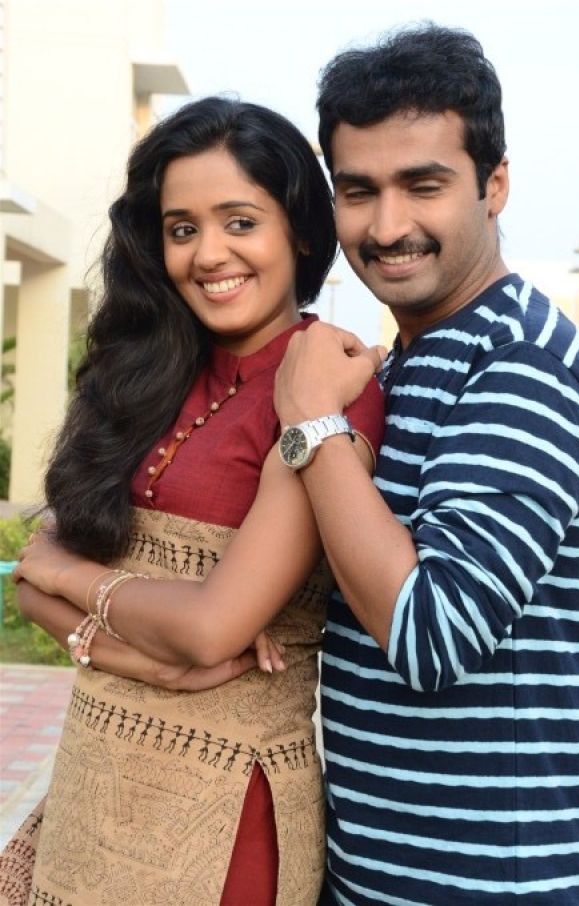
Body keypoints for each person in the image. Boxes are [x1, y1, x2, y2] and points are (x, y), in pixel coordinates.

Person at [3, 95, 384, 906]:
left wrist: (71, 577)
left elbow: (213, 627)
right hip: (94, 785)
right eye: (182, 229)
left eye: (240, 222)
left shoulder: (322, 382)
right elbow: (27, 587)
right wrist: (140, 657)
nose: (208, 254)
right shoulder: (147, 374)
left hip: (223, 810)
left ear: (300, 231)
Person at [272, 21, 579, 906]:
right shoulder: (403, 366)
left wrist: (310, 423)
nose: (387, 227)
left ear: (495, 185)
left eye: (423, 186)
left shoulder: (522, 363)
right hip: (378, 875)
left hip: (500, 882)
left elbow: (431, 633)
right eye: (358, 191)